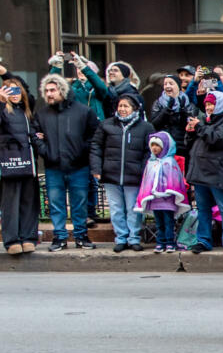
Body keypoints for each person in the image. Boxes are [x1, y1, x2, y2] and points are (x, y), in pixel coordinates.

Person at [35, 73, 98, 251]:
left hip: (78, 166)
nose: (49, 94)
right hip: (53, 166)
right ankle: (60, 237)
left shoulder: (83, 111)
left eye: (53, 90)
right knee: (56, 204)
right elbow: (35, 135)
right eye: (46, 91)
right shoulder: (42, 113)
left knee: (80, 204)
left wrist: (82, 152)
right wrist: (45, 151)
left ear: (62, 90)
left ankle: (81, 236)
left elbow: (93, 136)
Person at [0, 78, 43, 255]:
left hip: (27, 159)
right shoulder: (2, 108)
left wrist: (37, 137)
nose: (15, 95)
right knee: (10, 203)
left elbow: (32, 131)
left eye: (17, 91)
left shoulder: (26, 111)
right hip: (8, 159)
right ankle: (11, 240)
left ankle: (28, 237)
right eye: (10, 91)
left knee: (29, 201)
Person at [89, 91, 151, 252]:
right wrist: (96, 168)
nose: (122, 109)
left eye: (126, 106)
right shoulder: (107, 125)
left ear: (135, 108)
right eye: (120, 106)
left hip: (134, 176)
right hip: (111, 174)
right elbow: (96, 146)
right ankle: (121, 238)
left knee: (133, 209)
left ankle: (134, 238)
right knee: (116, 209)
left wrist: (144, 170)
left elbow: (149, 150)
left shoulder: (145, 127)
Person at [186, 89, 223, 255]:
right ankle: (203, 240)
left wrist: (200, 127)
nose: (209, 107)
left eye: (212, 103)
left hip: (218, 173)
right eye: (207, 104)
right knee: (203, 209)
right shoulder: (205, 122)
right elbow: (193, 143)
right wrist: (191, 132)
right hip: (201, 173)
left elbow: (216, 139)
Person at [136, 130, 189, 252]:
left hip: (168, 199)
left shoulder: (170, 162)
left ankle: (170, 242)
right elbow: (147, 180)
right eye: (152, 145)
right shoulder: (151, 162)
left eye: (157, 145)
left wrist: (169, 191)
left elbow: (175, 179)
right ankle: (160, 242)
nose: (154, 148)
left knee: (168, 221)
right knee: (159, 222)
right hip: (155, 199)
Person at [150, 75, 194, 157]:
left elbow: (190, 126)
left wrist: (183, 112)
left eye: (171, 83)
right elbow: (154, 124)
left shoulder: (187, 102)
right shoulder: (158, 102)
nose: (167, 86)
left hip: (182, 147)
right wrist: (166, 110)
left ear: (178, 86)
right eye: (165, 84)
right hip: (163, 145)